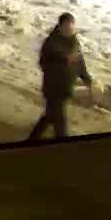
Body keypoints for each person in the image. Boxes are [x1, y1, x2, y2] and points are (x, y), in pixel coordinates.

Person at [28, 12, 93, 140]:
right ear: (60, 26)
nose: (69, 29)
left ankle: (31, 140)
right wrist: (64, 59)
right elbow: (43, 63)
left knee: (50, 116)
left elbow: (80, 62)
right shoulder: (51, 43)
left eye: (71, 26)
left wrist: (86, 78)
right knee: (60, 124)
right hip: (53, 89)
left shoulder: (74, 43)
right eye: (66, 26)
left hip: (65, 88)